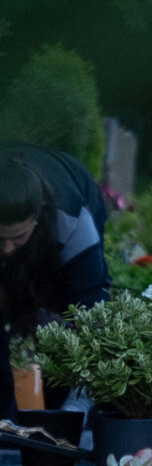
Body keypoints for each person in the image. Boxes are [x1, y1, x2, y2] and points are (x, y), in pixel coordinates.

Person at [0, 143, 111, 419]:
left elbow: (93, 309)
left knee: (56, 313)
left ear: (35, 219)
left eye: (18, 237)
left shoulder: (72, 218)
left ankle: (59, 410)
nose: (7, 249)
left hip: (72, 189)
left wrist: (77, 407)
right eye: (0, 238)